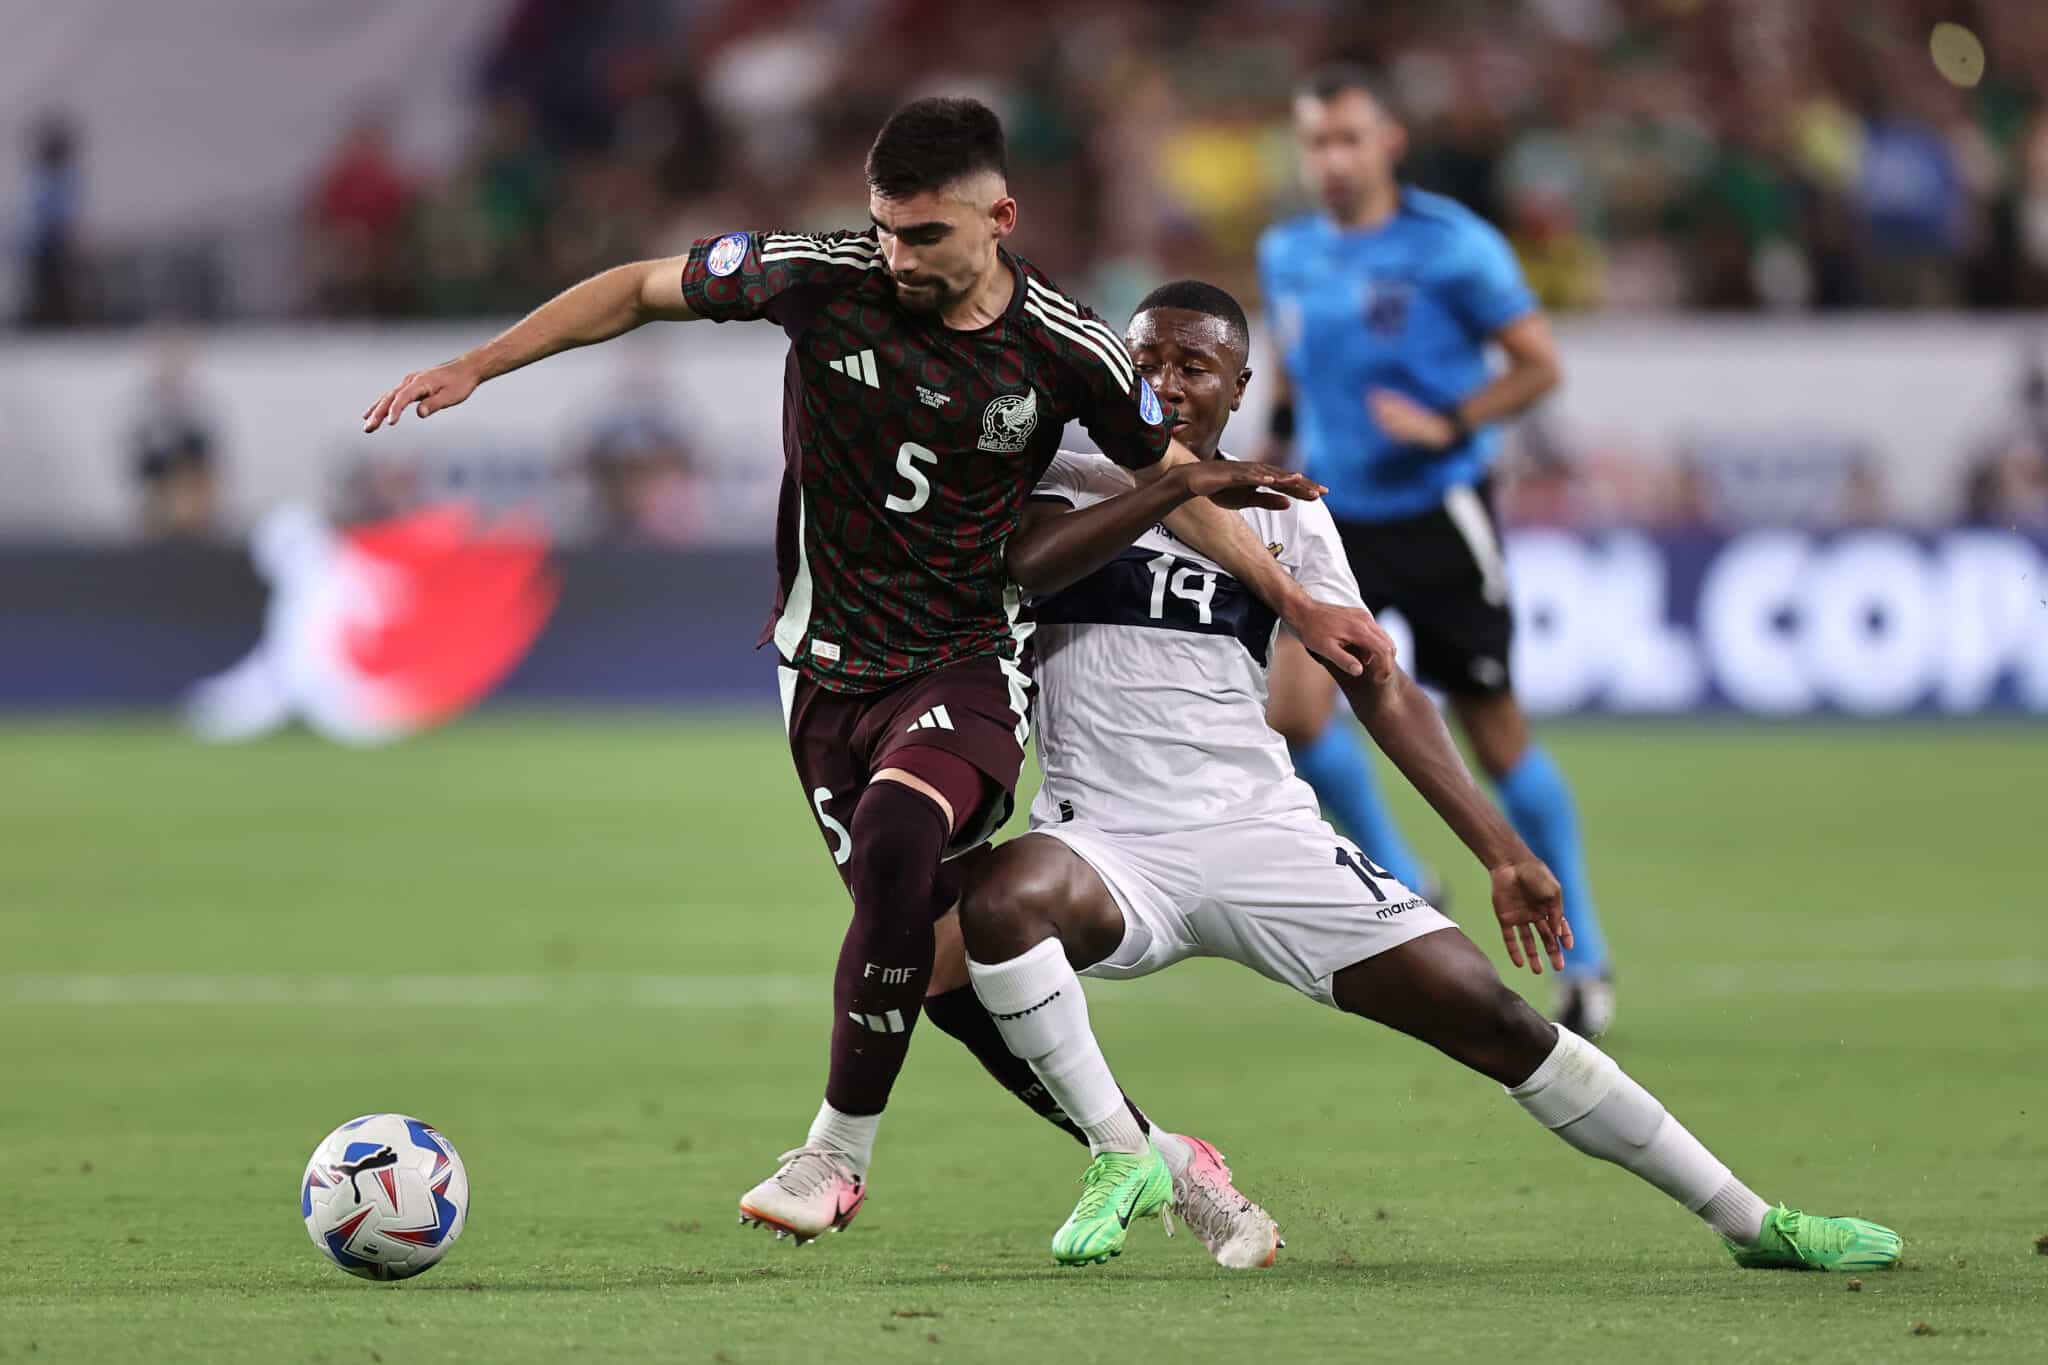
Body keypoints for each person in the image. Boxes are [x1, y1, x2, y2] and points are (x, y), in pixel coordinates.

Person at [361, 96, 1392, 1246]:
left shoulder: (1068, 346)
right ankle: (1151, 1155)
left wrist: (1291, 593)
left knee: (905, 841)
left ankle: (832, 1156)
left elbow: (1175, 480)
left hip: (959, 659)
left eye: (926, 236)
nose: (897, 257)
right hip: (819, 678)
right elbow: (639, 287)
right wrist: (481, 363)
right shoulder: (817, 276)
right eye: (885, 229)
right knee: (934, 981)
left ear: (998, 218)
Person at [955, 279, 1902, 1274]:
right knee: (998, 903)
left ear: (1240, 387)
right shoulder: (1061, 475)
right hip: (1105, 842)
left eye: (1193, 367)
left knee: (1490, 1017)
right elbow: (1023, 568)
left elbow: (1375, 685)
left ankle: (1752, 1222)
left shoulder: (1284, 514)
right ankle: (1125, 1154)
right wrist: (1175, 485)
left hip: (1258, 835)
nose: (1165, 384)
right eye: (1143, 362)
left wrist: (1499, 850)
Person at [1256, 64, 1617, 1034]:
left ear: (1387, 144)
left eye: (1346, 140)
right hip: (1331, 520)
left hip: (1438, 514)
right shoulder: (1286, 252)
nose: (1329, 160)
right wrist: (1266, 458)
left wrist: (1449, 420)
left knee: (1492, 734)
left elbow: (1538, 365)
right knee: (1292, 713)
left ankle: (1584, 953)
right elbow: (1291, 369)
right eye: (1314, 143)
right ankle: (1406, 879)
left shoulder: (1453, 248)